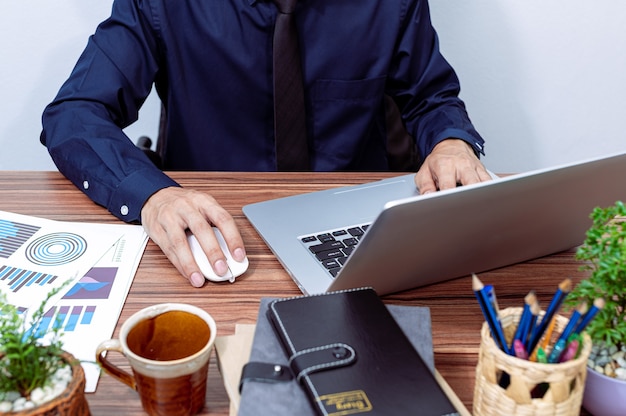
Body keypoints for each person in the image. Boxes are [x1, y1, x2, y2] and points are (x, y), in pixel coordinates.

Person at [40, 0, 492, 288]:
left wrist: (451, 141)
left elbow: (432, 97)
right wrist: (152, 196)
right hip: (214, 237)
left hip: (356, 239)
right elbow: (74, 113)